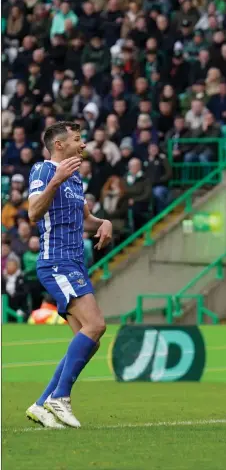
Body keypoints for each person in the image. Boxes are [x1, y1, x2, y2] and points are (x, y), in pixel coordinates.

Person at [25, 121, 113, 429]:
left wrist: (104, 223)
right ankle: (59, 397)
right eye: (78, 139)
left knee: (88, 337)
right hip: (57, 261)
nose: (84, 144)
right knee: (96, 325)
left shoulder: (75, 180)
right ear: (59, 145)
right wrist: (55, 181)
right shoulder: (44, 171)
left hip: (76, 263)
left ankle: (41, 404)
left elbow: (86, 219)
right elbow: (33, 213)